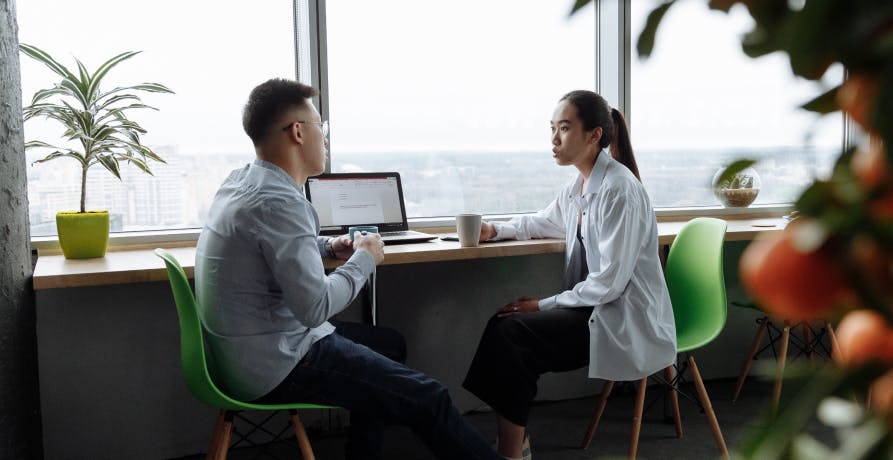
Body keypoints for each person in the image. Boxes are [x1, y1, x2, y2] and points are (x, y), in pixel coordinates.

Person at [195, 78, 501, 460]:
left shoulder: (241, 182)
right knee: (428, 396)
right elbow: (315, 308)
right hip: (277, 361)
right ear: (297, 132)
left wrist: (329, 245)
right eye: (320, 128)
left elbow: (271, 248)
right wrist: (364, 258)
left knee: (389, 344)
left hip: (239, 353)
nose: (323, 139)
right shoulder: (281, 202)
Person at [462, 90, 677, 460]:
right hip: (595, 309)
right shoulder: (580, 185)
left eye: (564, 128)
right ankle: (515, 442)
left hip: (621, 319)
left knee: (513, 335)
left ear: (594, 135)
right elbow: (546, 221)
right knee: (504, 325)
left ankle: (512, 451)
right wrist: (495, 230)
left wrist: (543, 305)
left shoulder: (619, 190)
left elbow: (609, 282)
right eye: (552, 129)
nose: (554, 140)